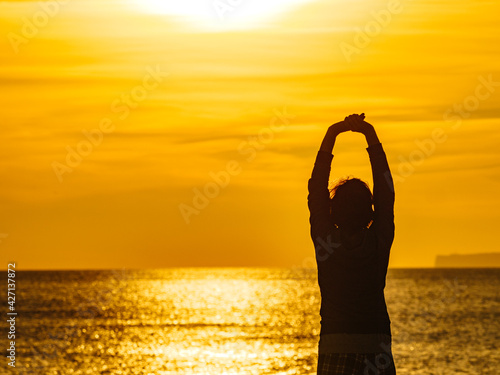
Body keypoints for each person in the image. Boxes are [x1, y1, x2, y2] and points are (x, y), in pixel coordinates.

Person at [307, 114, 396, 374]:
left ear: (333, 212)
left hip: (335, 345)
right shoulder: (378, 241)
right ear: (371, 213)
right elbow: (386, 191)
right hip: (376, 347)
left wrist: (333, 132)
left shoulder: (326, 241)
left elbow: (316, 190)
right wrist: (369, 134)